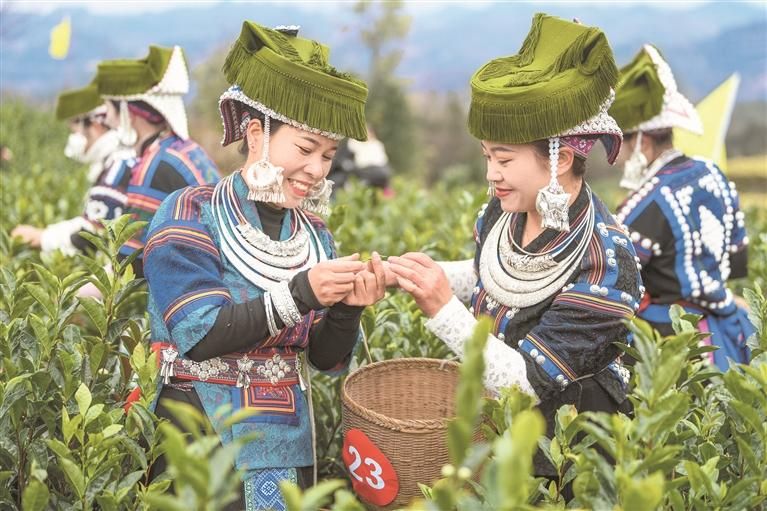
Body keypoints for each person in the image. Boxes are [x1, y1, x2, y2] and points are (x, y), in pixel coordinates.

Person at [386, 13, 642, 485]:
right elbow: (497, 273)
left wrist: (442, 308)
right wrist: (414, 273)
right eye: (487, 157)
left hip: (566, 458)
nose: (491, 174)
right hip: (498, 435)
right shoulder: (503, 212)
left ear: (560, 158)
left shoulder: (605, 261)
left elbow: (527, 381)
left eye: (503, 159)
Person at [142, 22, 382, 510]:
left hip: (288, 445)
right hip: (199, 435)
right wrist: (301, 294)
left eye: (328, 155)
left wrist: (347, 309)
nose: (316, 170)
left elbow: (324, 359)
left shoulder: (314, 234)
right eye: (305, 149)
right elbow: (199, 331)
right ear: (257, 133)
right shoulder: (190, 211)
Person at [609, 45, 752, 369]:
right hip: (727, 334)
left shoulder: (644, 203)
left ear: (641, 142)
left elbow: (614, 286)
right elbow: (737, 261)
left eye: (619, 144)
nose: (615, 158)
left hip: (670, 344)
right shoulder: (713, 174)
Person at [96, 45, 221, 276]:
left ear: (128, 113)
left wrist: (70, 295)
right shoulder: (185, 149)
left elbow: (131, 264)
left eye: (110, 107)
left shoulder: (153, 166)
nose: (106, 117)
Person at [11, 80, 133, 255]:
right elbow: (88, 222)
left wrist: (43, 238)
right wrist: (45, 233)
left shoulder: (118, 168)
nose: (75, 138)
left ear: (96, 125)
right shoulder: (111, 162)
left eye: (76, 130)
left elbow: (94, 235)